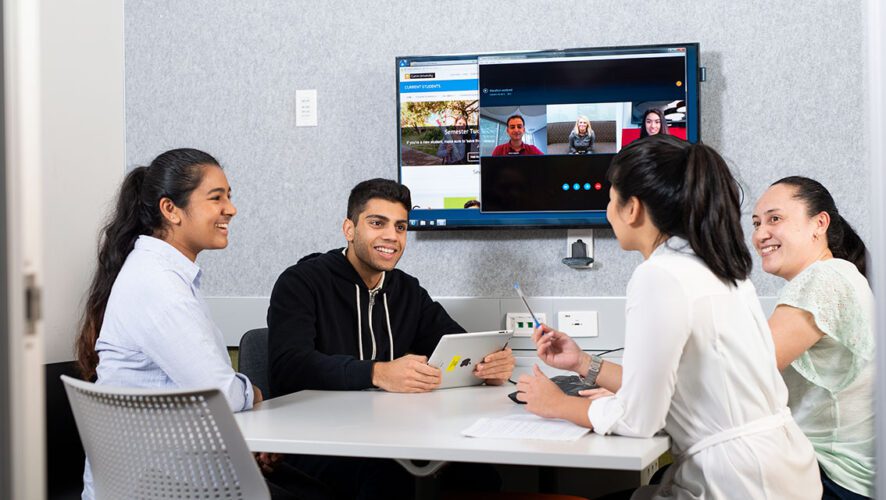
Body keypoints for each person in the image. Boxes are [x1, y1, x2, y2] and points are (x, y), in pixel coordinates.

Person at [516, 135, 821, 499]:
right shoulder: (719, 268)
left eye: (610, 200)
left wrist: (557, 404)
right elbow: (678, 388)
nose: (607, 212)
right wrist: (583, 362)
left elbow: (639, 421)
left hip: (736, 481)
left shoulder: (659, 276)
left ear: (633, 209)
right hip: (784, 472)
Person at [75, 148, 327, 500]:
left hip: (173, 469)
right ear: (170, 210)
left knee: (319, 488)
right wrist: (251, 391)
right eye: (216, 198)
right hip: (162, 483)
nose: (231, 209)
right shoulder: (158, 284)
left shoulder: (162, 275)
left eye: (229, 197)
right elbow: (219, 394)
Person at [267, 178, 513, 498]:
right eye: (377, 223)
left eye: (400, 227)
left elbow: (454, 342)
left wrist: (489, 363)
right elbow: (289, 365)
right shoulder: (301, 282)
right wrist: (378, 372)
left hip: (388, 432)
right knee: (387, 474)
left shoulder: (406, 289)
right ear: (349, 229)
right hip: (314, 438)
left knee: (477, 472)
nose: (391, 236)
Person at [752, 176, 875, 499]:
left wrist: (605, 374)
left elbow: (741, 374)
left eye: (774, 219)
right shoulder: (838, 275)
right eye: (756, 223)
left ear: (819, 223)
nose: (760, 234)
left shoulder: (824, 279)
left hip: (832, 480)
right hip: (835, 476)